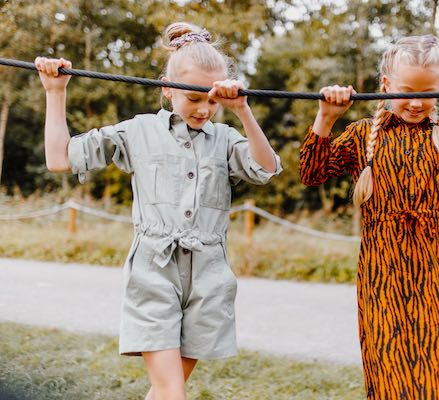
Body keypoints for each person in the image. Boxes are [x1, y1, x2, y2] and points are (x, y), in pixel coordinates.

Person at [36, 22, 282, 400]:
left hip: (209, 278)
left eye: (213, 100)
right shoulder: (138, 132)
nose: (204, 109)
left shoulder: (226, 138)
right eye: (194, 98)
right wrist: (55, 91)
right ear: (167, 88)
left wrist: (242, 111)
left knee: (167, 391)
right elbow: (58, 159)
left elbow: (265, 168)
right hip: (154, 271)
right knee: (172, 391)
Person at [299, 35, 439, 399]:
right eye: (406, 91)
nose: (417, 103)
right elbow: (311, 172)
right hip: (381, 271)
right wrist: (326, 116)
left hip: (436, 268)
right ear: (385, 85)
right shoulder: (360, 135)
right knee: (389, 366)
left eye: (428, 92)